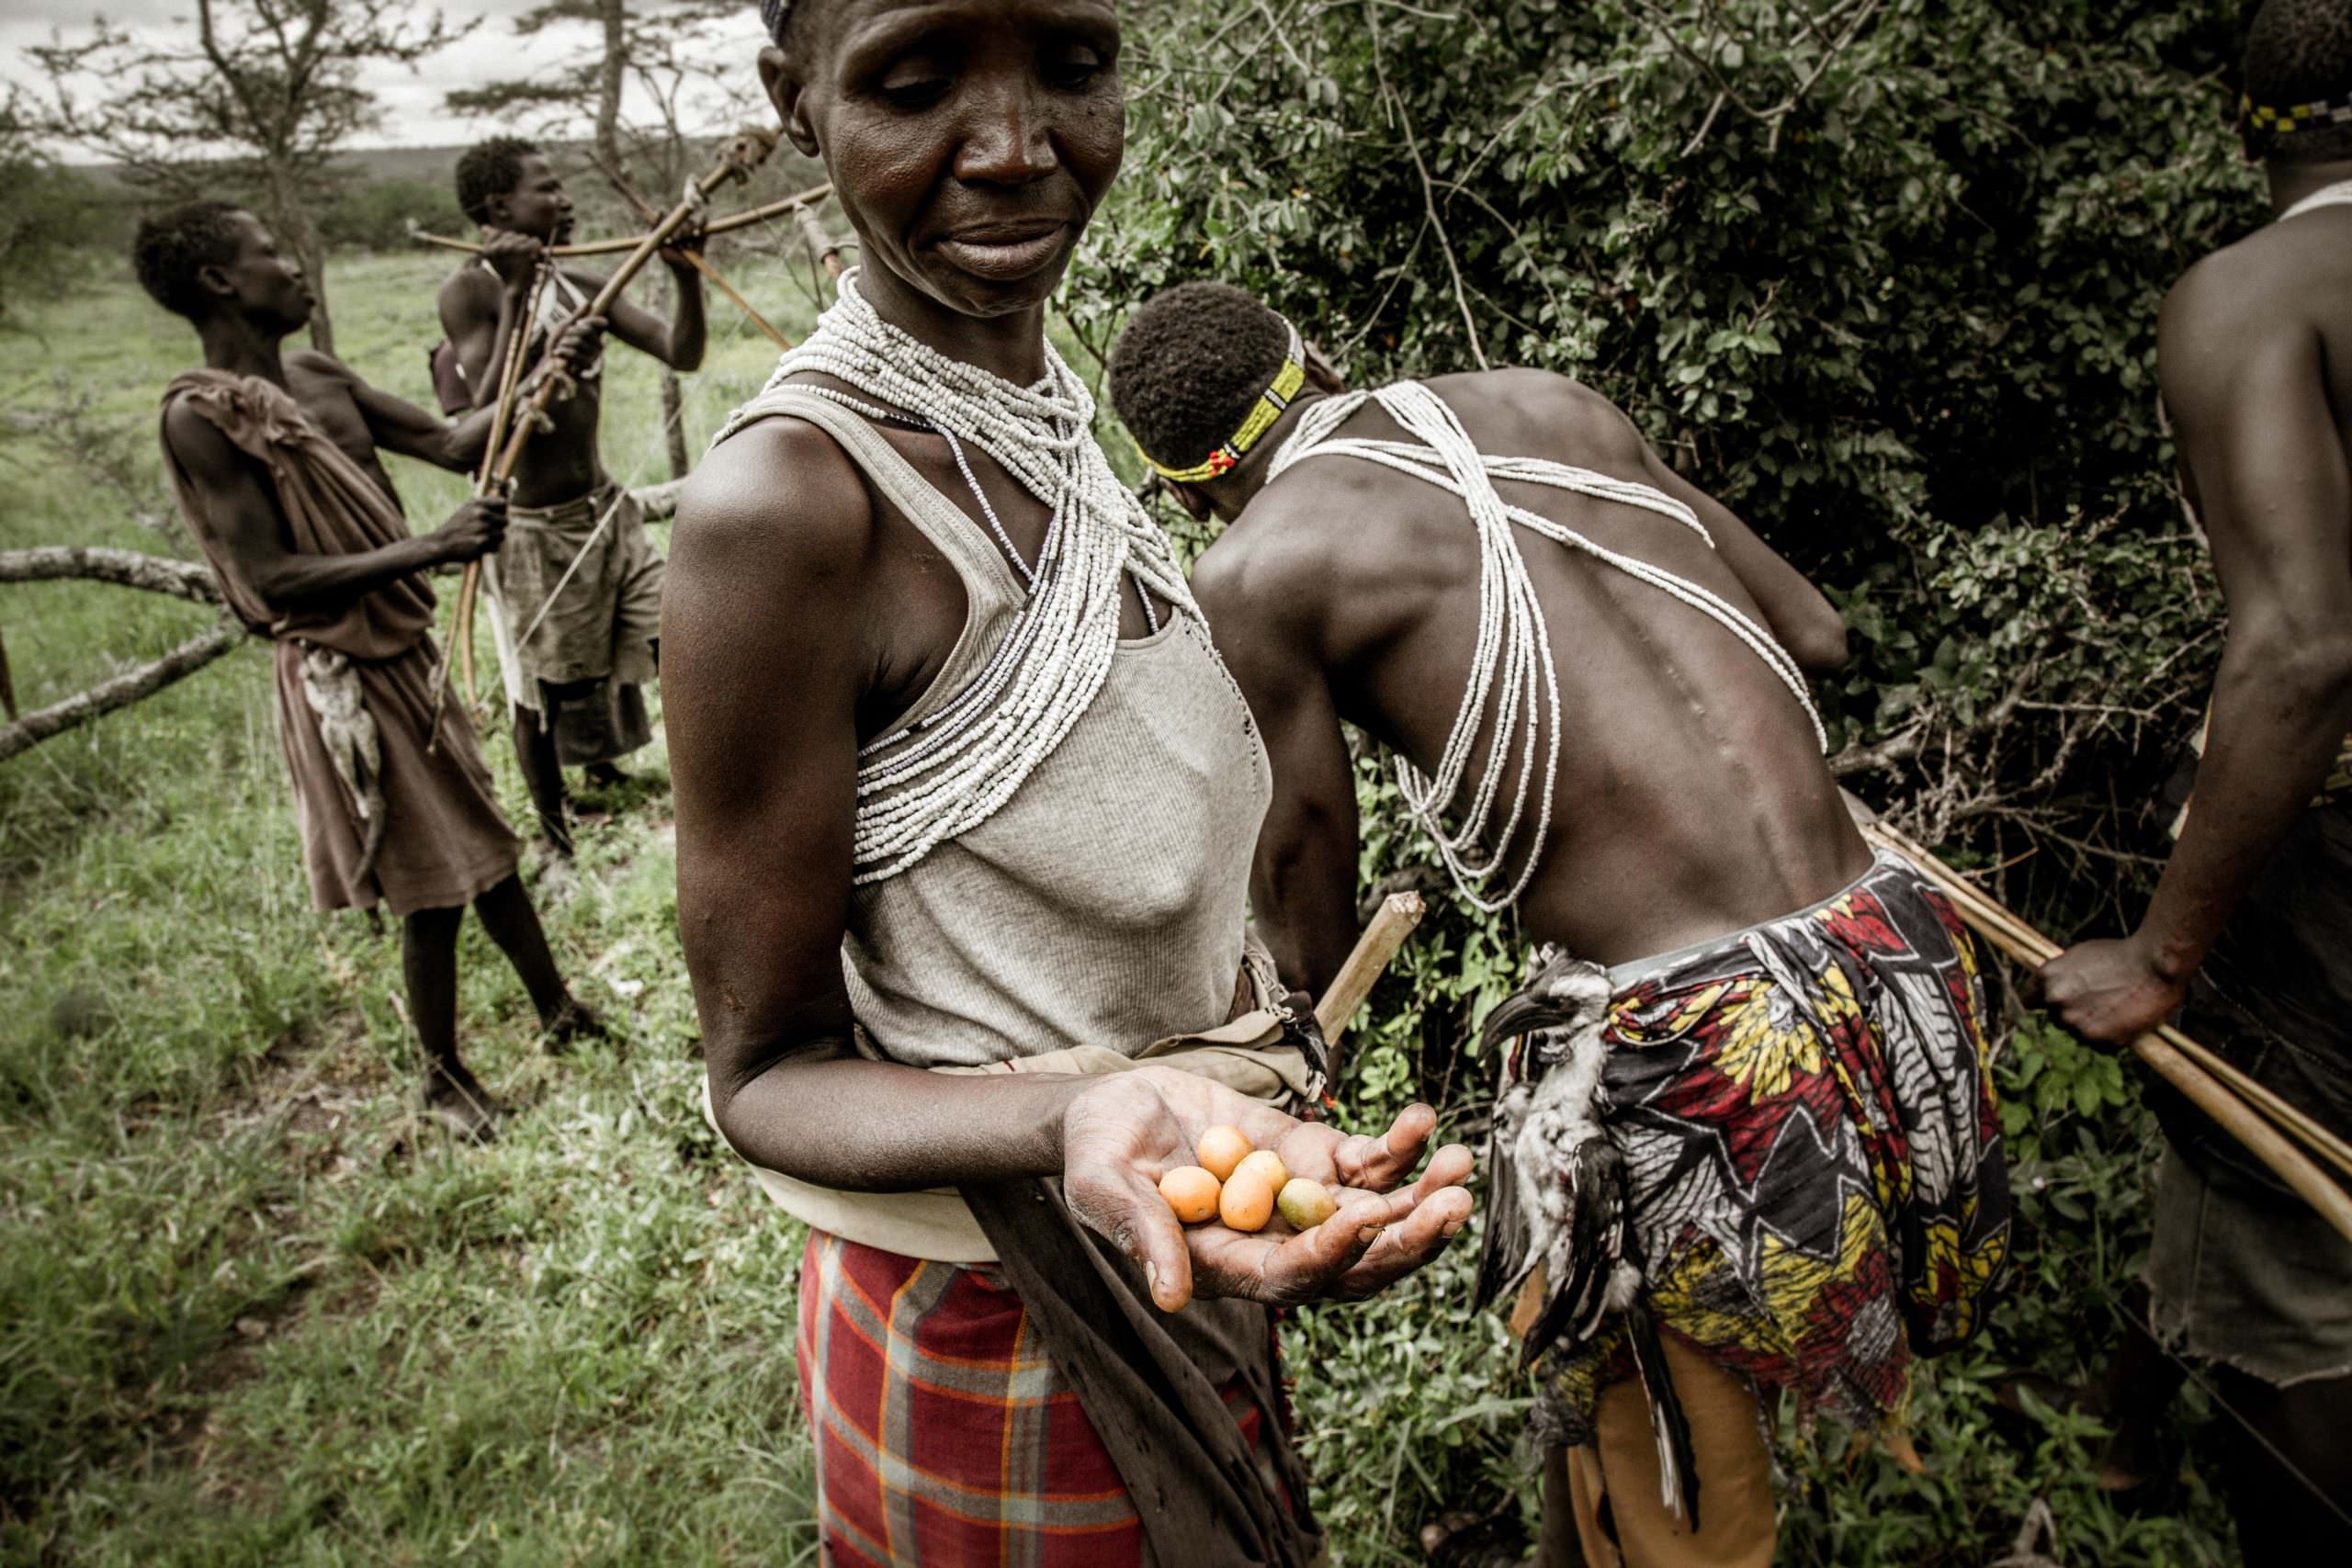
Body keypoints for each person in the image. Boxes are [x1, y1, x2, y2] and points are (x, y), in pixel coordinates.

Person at [664, 4, 1476, 1563]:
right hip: (996, 1330)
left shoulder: (1044, 425)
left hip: (1165, 1253)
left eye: (1073, 68)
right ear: (794, 104)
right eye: (914, 85)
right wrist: (1090, 1111)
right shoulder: (791, 509)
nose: (1017, 147)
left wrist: (1180, 1105)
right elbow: (763, 1078)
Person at [1108, 281, 2012, 1567]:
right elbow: (1816, 631)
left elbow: (1306, 865)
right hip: (1892, 952)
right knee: (1601, 1382)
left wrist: (1299, 1046)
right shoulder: (1550, 401)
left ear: (1195, 484)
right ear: (1313, 358)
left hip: (1694, 1041)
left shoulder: (1257, 566)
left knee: (1681, 1485)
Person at [2037, 2, 2352, 1556]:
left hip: (2330, 871)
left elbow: (2303, 645)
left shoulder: (2251, 297)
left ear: (2253, 124)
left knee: (2294, 1278)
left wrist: (2165, 954)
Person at [136, 201, 605, 1140]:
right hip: (337, 668)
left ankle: (558, 1013)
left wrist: (520, 310)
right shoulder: (201, 416)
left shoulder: (313, 374)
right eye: (270, 251)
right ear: (221, 283)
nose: (294, 263)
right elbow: (269, 576)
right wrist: (426, 549)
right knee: (429, 880)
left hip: (402, 650)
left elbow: (457, 440)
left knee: (481, 840)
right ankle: (440, 1079)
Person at [437, 136, 707, 860]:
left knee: (680, 637)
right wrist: (526, 306)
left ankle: (709, 802)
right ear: (499, 209)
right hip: (532, 527)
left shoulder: (586, 282)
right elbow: (483, 418)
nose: (563, 201)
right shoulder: (470, 290)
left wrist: (683, 274)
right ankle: (556, 843)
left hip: (606, 512)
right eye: (546, 190)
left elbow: (682, 352)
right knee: (541, 694)